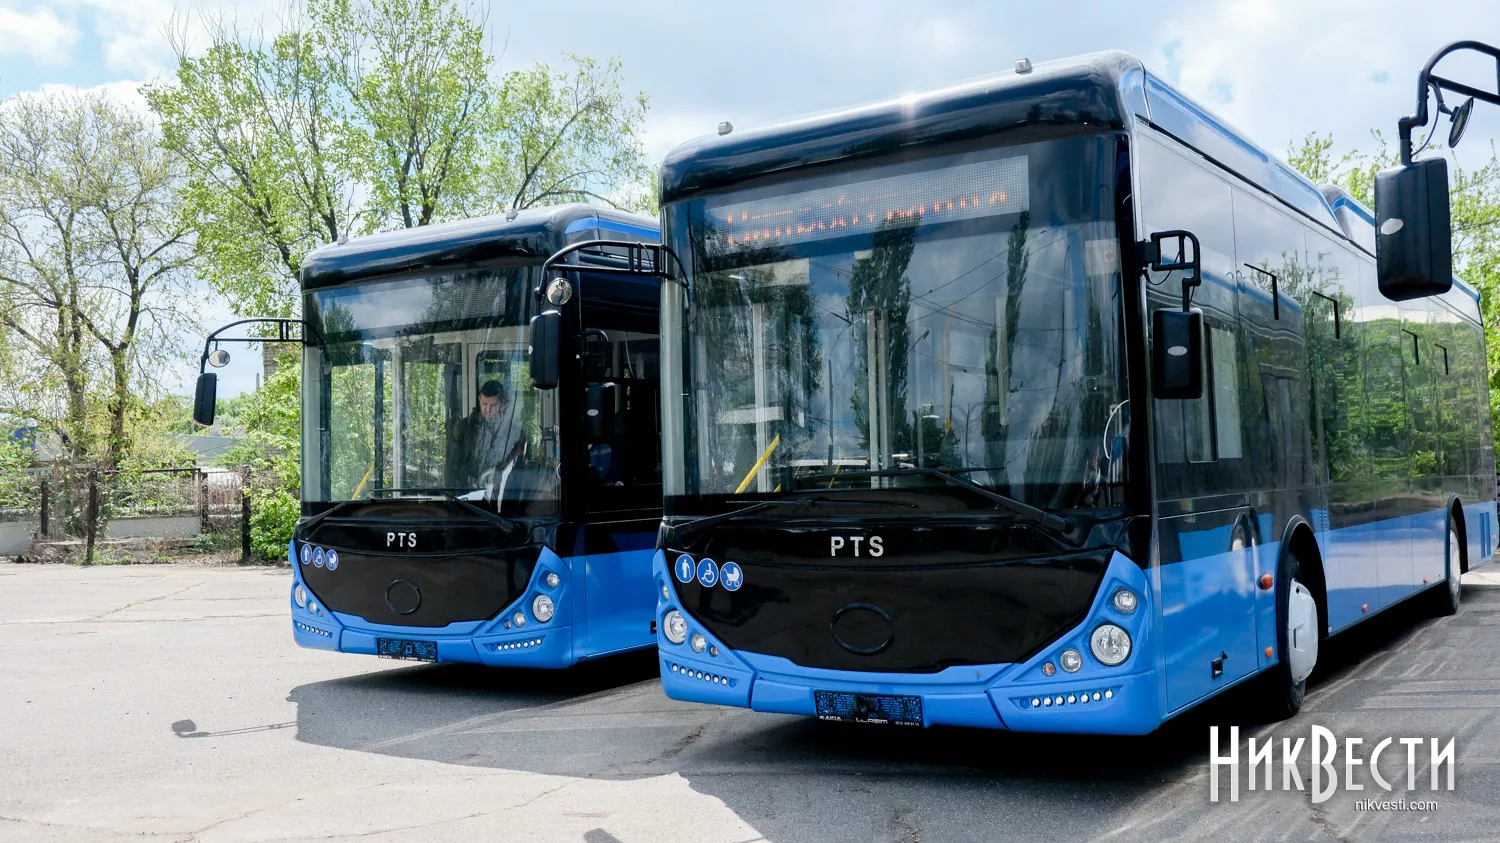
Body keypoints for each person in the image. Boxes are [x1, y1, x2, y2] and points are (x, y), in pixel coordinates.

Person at [446, 380, 524, 489]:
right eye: (484, 404)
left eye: (493, 405)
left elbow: (521, 469)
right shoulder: (463, 428)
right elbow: (451, 468)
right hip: (467, 495)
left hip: (504, 495)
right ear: (479, 400)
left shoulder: (514, 431)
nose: (488, 410)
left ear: (502, 403)